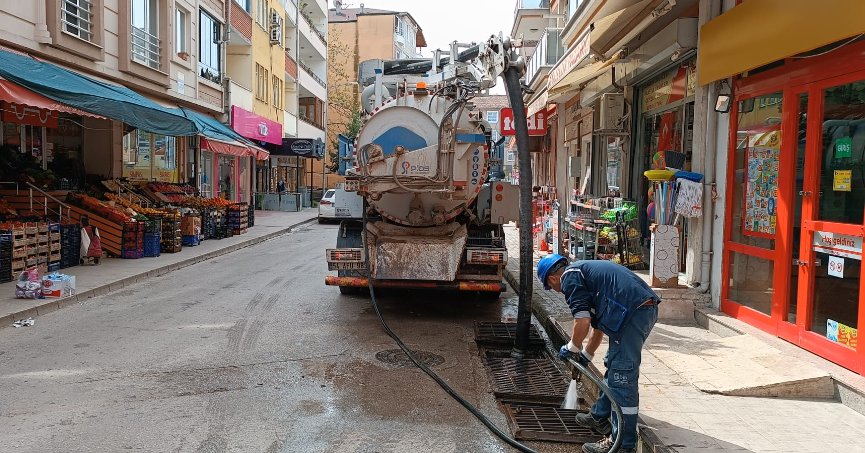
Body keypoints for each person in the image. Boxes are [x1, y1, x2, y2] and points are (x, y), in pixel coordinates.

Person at [536, 254, 660, 453]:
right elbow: (597, 329)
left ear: (551, 279)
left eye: (552, 288)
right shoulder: (585, 275)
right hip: (636, 310)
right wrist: (586, 355)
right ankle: (599, 415)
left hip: (634, 312)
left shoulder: (570, 277)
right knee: (614, 363)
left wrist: (572, 348)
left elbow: (582, 322)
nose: (557, 292)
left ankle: (622, 444)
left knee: (622, 375)